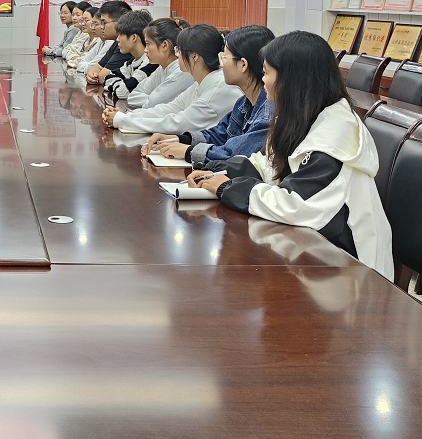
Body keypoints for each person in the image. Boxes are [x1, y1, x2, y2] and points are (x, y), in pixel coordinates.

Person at [187, 31, 393, 278]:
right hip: (311, 252)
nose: (263, 80)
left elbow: (297, 204)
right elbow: (267, 164)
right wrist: (217, 171)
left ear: (292, 79)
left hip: (348, 270)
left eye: (266, 72)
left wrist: (227, 187)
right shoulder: (302, 114)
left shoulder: (335, 134)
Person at [141, 24, 275, 168]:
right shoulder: (244, 103)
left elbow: (235, 155)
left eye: (224, 57)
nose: (221, 64)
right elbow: (220, 134)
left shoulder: (268, 114)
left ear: (243, 65)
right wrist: (180, 139)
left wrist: (188, 151)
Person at [103, 23, 239, 134]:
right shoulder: (204, 80)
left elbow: (177, 123)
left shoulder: (217, 87)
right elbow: (172, 108)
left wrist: (122, 120)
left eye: (179, 50)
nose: (177, 55)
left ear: (195, 57)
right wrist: (126, 116)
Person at [125, 18, 194, 109]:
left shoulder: (182, 72)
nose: (145, 50)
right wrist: (151, 99)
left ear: (164, 45)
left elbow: (152, 104)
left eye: (148, 44)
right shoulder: (162, 68)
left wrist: (152, 99)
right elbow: (132, 96)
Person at [86, 2, 141, 84]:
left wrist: (97, 75)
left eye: (104, 23)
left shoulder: (127, 44)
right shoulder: (116, 42)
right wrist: (91, 74)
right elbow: (96, 68)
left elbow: (103, 76)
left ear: (120, 22)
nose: (101, 27)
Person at [103, 9, 153, 98]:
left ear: (134, 37)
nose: (117, 39)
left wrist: (119, 85)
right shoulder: (132, 62)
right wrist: (121, 85)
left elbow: (122, 93)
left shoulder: (150, 63)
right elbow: (107, 78)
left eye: (121, 35)